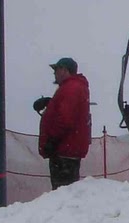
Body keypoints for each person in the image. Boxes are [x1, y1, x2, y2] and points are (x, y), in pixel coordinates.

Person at [37, 56, 91, 190]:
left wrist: (52, 141)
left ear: (64, 70)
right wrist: (50, 103)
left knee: (62, 193)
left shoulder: (71, 88)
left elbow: (66, 119)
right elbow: (68, 111)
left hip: (64, 150)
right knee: (65, 194)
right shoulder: (72, 87)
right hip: (67, 149)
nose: (54, 73)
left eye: (56, 69)